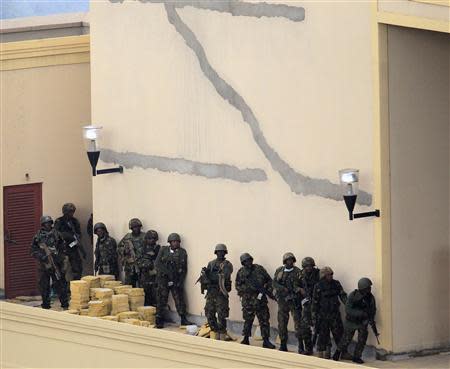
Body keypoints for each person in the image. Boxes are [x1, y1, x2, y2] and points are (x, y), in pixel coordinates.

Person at [235, 253, 275, 349]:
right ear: (243, 263)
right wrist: (249, 289)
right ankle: (245, 339)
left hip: (261, 300)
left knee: (264, 320)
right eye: (245, 261)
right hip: (248, 301)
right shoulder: (241, 272)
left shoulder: (259, 269)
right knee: (248, 320)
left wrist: (265, 289)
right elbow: (238, 286)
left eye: (249, 260)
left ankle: (266, 341)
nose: (248, 262)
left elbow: (269, 281)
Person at [333, 278, 377, 364]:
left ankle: (357, 356)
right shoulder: (353, 296)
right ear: (362, 288)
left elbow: (373, 309)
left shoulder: (370, 298)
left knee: (362, 340)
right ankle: (338, 352)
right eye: (368, 287)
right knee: (346, 339)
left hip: (362, 322)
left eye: (370, 287)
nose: (369, 289)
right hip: (351, 322)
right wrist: (361, 313)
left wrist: (370, 318)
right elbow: (348, 309)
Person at [30, 215, 69, 310]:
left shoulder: (57, 234)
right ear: (43, 224)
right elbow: (32, 251)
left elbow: (63, 248)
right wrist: (42, 256)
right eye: (46, 223)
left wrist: (61, 259)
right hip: (43, 265)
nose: (48, 225)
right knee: (44, 286)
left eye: (49, 223)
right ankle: (46, 305)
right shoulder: (38, 236)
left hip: (56, 263)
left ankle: (64, 304)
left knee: (60, 284)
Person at [154, 233, 192, 328]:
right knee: (161, 299)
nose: (175, 243)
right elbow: (157, 264)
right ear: (170, 242)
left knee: (179, 299)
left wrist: (180, 281)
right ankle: (159, 320)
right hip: (163, 279)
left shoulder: (182, 252)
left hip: (175, 279)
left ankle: (183, 319)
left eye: (177, 242)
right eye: (173, 241)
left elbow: (184, 268)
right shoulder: (163, 250)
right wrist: (166, 273)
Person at [312, 266, 347, 359]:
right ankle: (322, 353)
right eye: (329, 275)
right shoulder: (318, 286)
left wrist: (348, 305)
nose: (331, 276)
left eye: (332, 274)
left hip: (335, 314)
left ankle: (343, 352)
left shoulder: (336, 284)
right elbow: (315, 303)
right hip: (323, 315)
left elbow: (342, 295)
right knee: (323, 335)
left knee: (339, 333)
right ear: (324, 276)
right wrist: (314, 317)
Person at [199, 244, 233, 339]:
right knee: (209, 312)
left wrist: (210, 276)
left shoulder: (227, 264)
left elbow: (223, 276)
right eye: (218, 252)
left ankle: (222, 334)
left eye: (222, 252)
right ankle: (214, 331)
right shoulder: (211, 263)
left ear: (225, 253)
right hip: (211, 292)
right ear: (216, 253)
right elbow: (208, 277)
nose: (220, 254)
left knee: (221, 314)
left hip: (221, 292)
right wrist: (205, 274)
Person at [273, 252, 303, 352]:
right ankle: (283, 344)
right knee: (282, 323)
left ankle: (300, 345)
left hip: (294, 301)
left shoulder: (298, 272)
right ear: (285, 261)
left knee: (298, 324)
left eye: (291, 260)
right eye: (288, 260)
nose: (290, 262)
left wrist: (297, 290)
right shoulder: (279, 271)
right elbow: (274, 283)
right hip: (282, 301)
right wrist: (282, 289)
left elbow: (302, 285)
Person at [54, 203, 86, 281]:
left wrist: (75, 242)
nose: (71, 214)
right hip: (62, 249)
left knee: (78, 267)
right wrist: (67, 236)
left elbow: (78, 235)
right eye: (69, 212)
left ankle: (75, 285)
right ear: (64, 212)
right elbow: (56, 234)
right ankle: (62, 289)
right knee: (62, 269)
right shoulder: (59, 221)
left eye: (72, 212)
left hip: (73, 248)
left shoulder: (75, 221)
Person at [299, 256, 320, 354]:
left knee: (319, 328)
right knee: (304, 328)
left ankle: (322, 349)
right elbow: (295, 285)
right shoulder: (301, 275)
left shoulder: (318, 274)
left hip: (318, 306)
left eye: (311, 266)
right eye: (307, 266)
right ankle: (308, 348)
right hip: (307, 305)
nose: (309, 268)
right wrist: (299, 290)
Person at [118, 218, 145, 287]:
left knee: (143, 287)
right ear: (131, 228)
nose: (136, 229)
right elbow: (119, 247)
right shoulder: (127, 237)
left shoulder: (144, 236)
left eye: (137, 227)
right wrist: (124, 250)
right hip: (130, 266)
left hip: (142, 265)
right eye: (134, 227)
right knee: (129, 286)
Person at [137, 230, 161, 306]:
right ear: (146, 239)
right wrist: (148, 264)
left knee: (156, 297)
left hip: (156, 276)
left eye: (154, 238)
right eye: (150, 238)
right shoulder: (142, 249)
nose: (152, 240)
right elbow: (138, 262)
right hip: (145, 276)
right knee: (145, 297)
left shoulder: (159, 249)